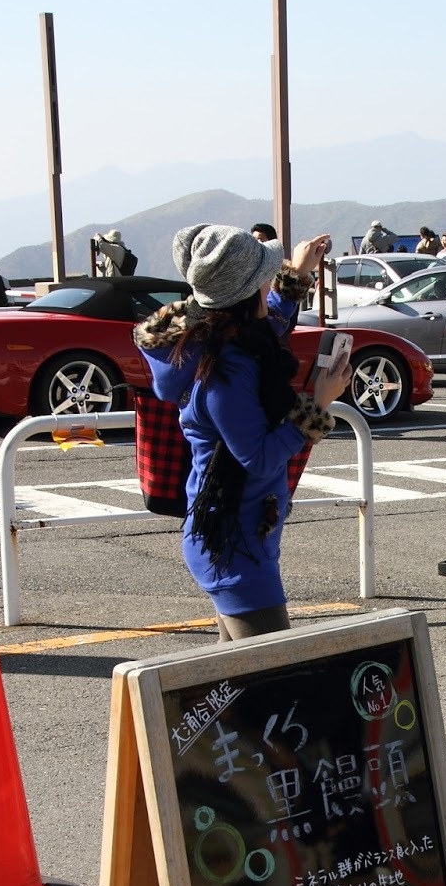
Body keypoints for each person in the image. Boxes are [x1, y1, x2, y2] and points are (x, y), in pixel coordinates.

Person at [133, 224, 351, 641]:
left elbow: (273, 323)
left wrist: (297, 275)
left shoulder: (231, 340)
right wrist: (318, 406)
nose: (271, 283)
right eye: (266, 276)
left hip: (234, 536)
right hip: (235, 550)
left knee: (237, 683)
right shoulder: (226, 372)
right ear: (248, 292)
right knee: (274, 678)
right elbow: (260, 456)